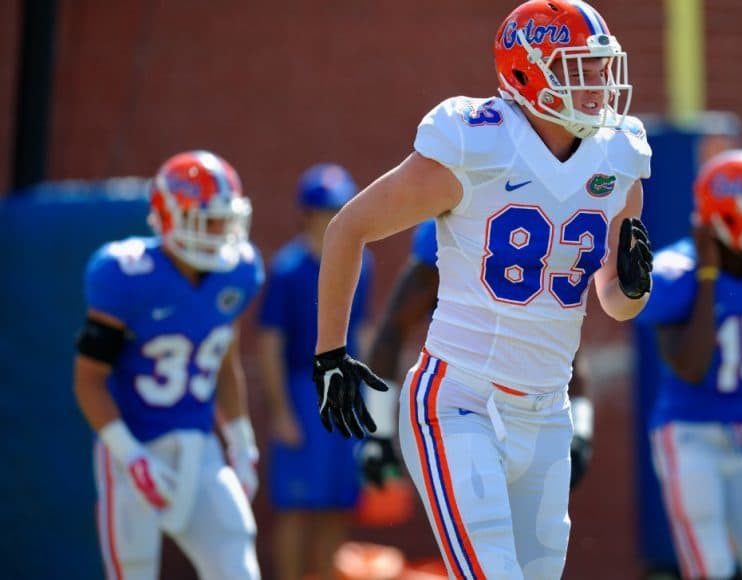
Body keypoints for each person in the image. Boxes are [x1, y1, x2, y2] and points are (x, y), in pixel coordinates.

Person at [312, 0, 654, 577]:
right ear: (526, 71)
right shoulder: (476, 142)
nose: (598, 83)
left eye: (600, 67)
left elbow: (615, 303)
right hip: (460, 402)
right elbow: (350, 227)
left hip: (549, 410)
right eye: (579, 67)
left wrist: (634, 286)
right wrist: (330, 353)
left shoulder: (619, 155)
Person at [73, 150, 263, 579]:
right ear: (170, 215)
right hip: (132, 445)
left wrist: (240, 438)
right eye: (208, 219)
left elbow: (224, 360)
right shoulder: (124, 274)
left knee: (236, 558)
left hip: (201, 446)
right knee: (134, 569)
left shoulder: (240, 272)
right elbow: (88, 382)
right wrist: (131, 456)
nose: (221, 231)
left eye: (226, 218)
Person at [635, 149, 742, 580]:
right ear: (727, 219)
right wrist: (709, 277)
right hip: (690, 434)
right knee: (710, 566)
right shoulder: (677, 274)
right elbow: (690, 367)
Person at [359, 218, 594, 492]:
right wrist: (379, 432)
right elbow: (393, 332)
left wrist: (580, 432)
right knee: (477, 519)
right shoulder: (449, 231)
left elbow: (565, 348)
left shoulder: (545, 232)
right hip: (463, 404)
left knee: (530, 528)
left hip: (532, 404)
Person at [257, 164, 373, 580]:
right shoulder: (287, 270)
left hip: (345, 396)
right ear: (305, 214)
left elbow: (363, 331)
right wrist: (282, 411)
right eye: (326, 211)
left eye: (341, 209)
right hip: (302, 395)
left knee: (337, 506)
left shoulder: (363, 263)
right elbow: (270, 344)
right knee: (296, 507)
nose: (334, 219)